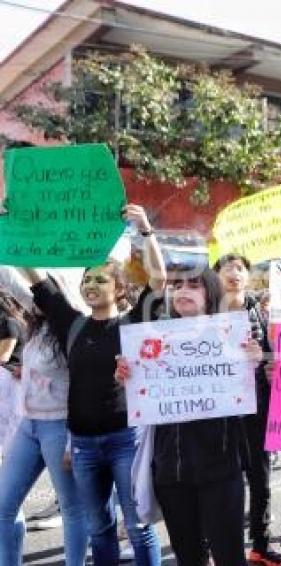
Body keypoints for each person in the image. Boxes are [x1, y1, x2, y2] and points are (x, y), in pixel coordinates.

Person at [17, 204, 165, 566]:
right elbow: (37, 279)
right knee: (98, 527)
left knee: (138, 525)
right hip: (82, 446)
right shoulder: (72, 323)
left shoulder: (134, 322)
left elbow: (158, 281)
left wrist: (144, 229)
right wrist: (15, 225)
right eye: (87, 280)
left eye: (101, 279)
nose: (91, 285)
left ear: (119, 288)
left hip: (124, 441)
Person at [116, 267, 263, 566]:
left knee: (229, 557)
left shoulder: (234, 336)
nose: (182, 290)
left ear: (210, 293)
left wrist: (255, 366)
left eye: (194, 285)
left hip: (220, 467)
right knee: (188, 558)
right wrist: (127, 376)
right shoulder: (150, 337)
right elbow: (140, 400)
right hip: (171, 470)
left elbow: (254, 403)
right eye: (177, 284)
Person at [0, 287, 88, 566]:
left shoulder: (73, 326)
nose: (30, 300)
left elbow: (84, 384)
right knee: (4, 506)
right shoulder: (36, 327)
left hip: (59, 425)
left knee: (73, 509)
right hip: (29, 425)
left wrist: (73, 438)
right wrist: (26, 375)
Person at [213, 253, 281, 565]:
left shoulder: (259, 312)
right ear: (215, 276)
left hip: (257, 411)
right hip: (217, 415)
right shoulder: (204, 316)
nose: (235, 273)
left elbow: (275, 358)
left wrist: (271, 365)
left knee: (261, 480)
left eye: (241, 268)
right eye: (227, 268)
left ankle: (260, 544)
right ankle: (215, 547)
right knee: (219, 484)